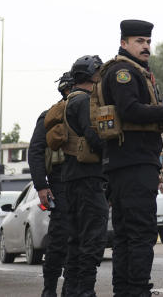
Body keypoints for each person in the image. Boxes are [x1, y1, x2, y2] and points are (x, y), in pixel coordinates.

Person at [102, 19, 163, 297]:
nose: (146, 47)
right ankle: (137, 290)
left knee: (127, 235)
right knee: (140, 233)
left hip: (128, 165)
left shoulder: (136, 72)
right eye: (139, 41)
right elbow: (130, 110)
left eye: (148, 42)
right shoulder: (123, 73)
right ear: (124, 43)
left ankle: (126, 291)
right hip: (133, 164)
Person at [62, 55, 109, 297]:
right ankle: (85, 291)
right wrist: (112, 148)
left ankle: (70, 290)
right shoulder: (84, 102)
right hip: (88, 178)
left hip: (72, 178)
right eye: (98, 73)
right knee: (92, 238)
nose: (100, 77)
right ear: (90, 75)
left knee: (76, 238)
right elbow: (93, 135)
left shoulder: (71, 99)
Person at [28, 71, 74, 297]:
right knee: (60, 239)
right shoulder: (50, 117)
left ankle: (72, 287)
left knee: (82, 239)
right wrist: (41, 186)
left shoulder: (89, 113)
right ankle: (49, 289)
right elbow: (35, 152)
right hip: (60, 182)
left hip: (83, 183)